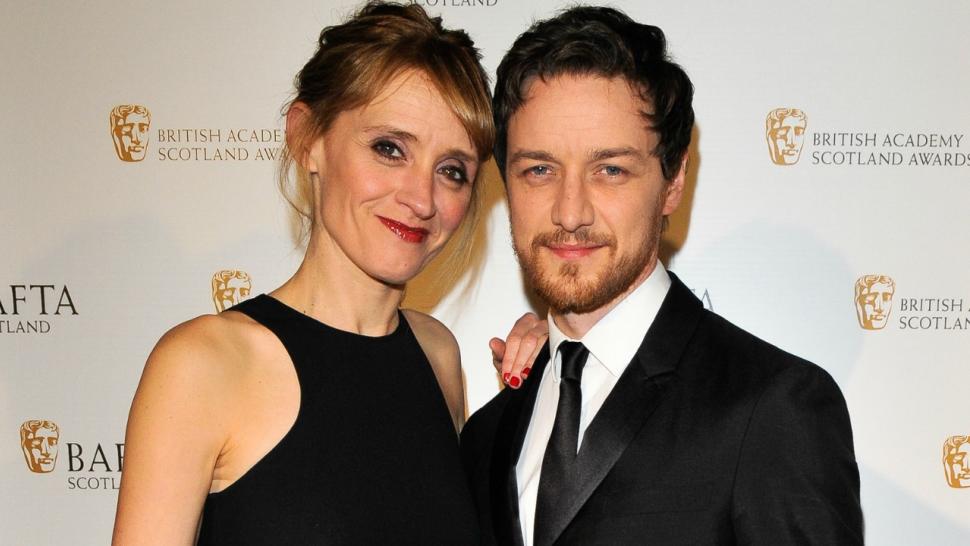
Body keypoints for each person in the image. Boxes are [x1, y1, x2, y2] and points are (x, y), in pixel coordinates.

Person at [113, 2, 542, 544]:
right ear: (307, 138)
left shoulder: (438, 355)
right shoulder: (205, 364)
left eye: (452, 171)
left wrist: (555, 382)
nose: (421, 198)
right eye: (389, 149)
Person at [462, 6, 864, 545]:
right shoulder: (487, 435)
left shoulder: (770, 407)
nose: (570, 211)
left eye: (610, 170)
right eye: (539, 169)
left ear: (673, 182)